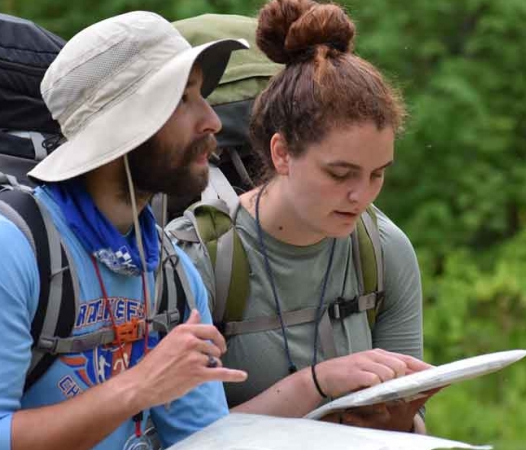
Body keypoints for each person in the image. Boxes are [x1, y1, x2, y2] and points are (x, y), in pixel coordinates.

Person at [0, 11, 250, 450]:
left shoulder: (172, 274)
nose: (212, 120)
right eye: (182, 100)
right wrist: (138, 387)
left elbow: (202, 440)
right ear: (123, 127)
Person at [166, 0, 436, 433]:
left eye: (377, 175)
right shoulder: (198, 259)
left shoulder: (384, 251)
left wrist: (402, 421)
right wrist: (317, 385)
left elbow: (416, 431)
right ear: (282, 152)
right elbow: (178, 435)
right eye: (340, 173)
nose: (360, 195)